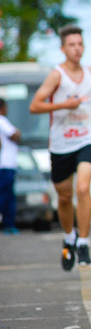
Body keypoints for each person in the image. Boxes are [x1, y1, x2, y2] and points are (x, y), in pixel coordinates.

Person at [29, 26, 91, 270]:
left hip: (87, 136)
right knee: (64, 196)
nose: (77, 49)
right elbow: (35, 105)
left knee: (83, 187)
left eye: (80, 44)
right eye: (72, 45)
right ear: (63, 48)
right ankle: (69, 237)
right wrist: (65, 104)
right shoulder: (56, 76)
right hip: (62, 142)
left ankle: (84, 242)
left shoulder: (90, 72)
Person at [0, 98, 22, 234]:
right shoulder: (2, 120)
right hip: (5, 164)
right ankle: (7, 224)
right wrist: (18, 132)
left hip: (7, 165)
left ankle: (9, 224)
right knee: (5, 196)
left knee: (8, 197)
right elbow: (15, 135)